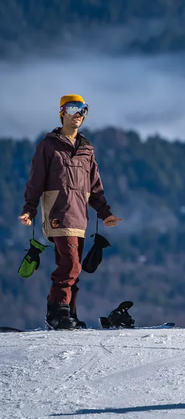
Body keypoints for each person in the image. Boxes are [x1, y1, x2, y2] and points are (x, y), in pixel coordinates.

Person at [20, 94, 122, 330]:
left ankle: (69, 314)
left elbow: (95, 185)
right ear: (62, 112)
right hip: (57, 212)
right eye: (74, 108)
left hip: (80, 216)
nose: (78, 114)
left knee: (73, 267)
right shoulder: (48, 145)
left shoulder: (87, 148)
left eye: (83, 110)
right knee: (70, 265)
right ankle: (57, 312)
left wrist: (105, 213)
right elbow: (35, 181)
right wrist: (29, 210)